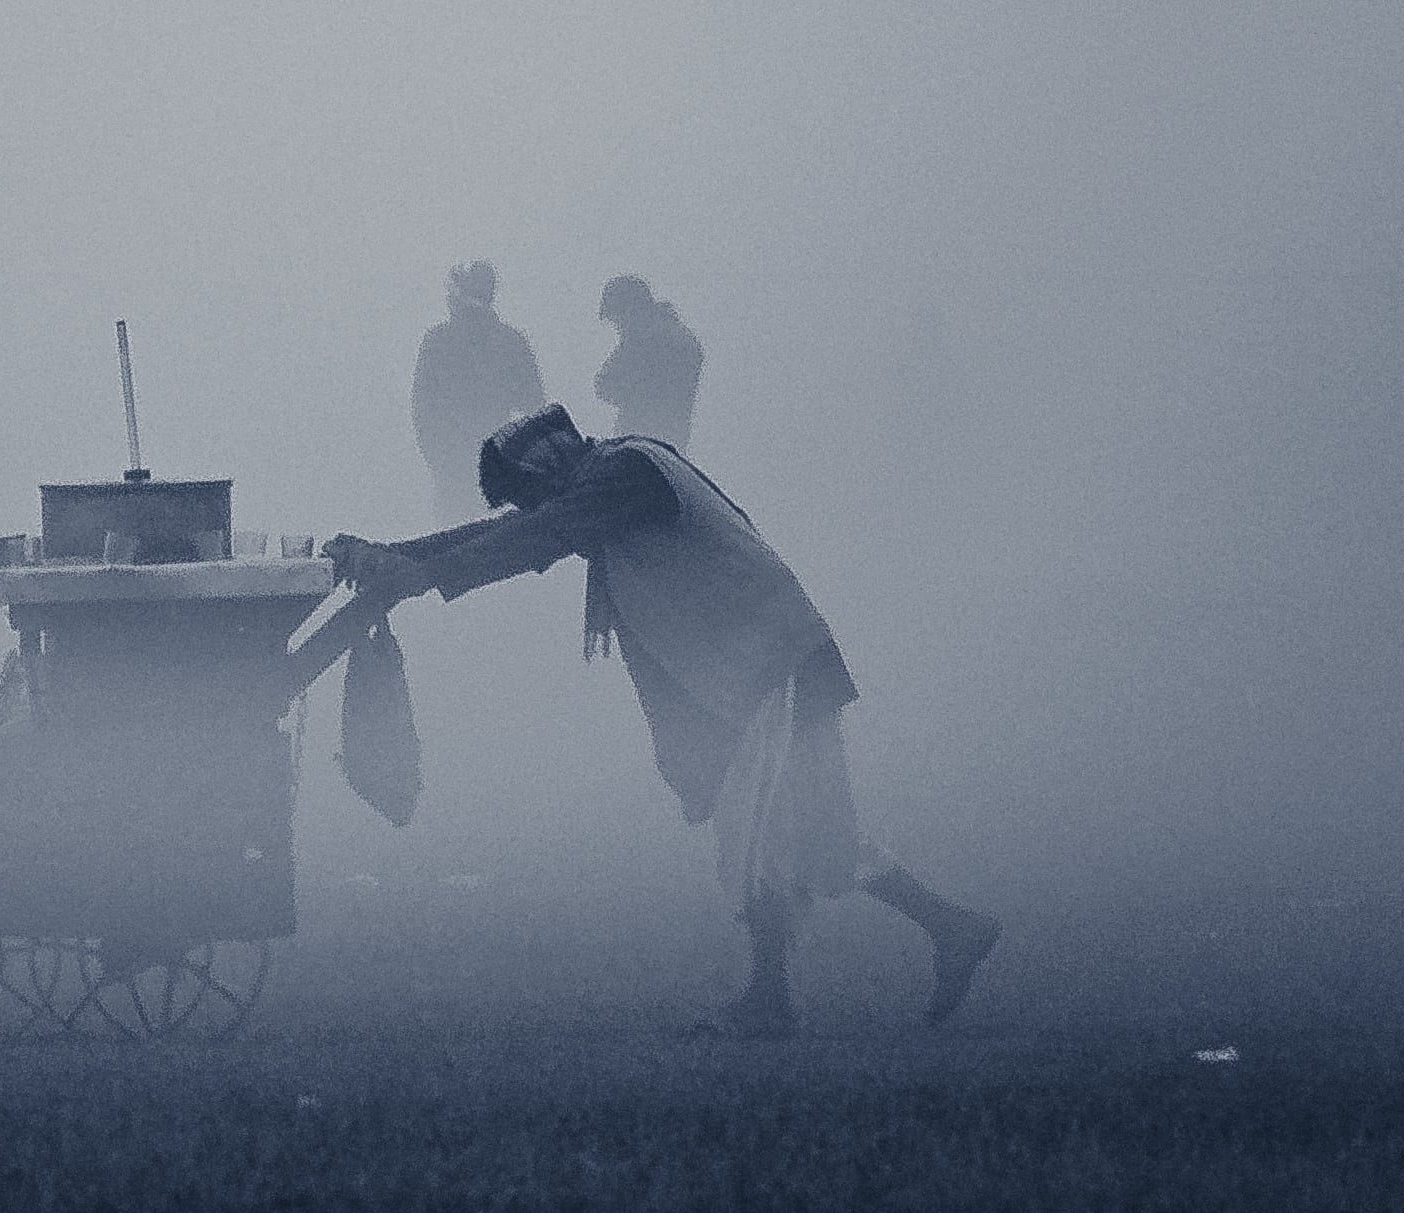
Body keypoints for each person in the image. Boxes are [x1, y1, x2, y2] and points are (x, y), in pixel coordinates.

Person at [326, 404, 1000, 1036]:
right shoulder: (609, 476)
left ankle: (772, 999)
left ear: (547, 466)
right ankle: (949, 930)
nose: (531, 508)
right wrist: (397, 555)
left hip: (775, 665)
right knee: (818, 836)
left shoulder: (626, 473)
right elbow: (521, 531)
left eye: (529, 493)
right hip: (766, 668)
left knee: (756, 832)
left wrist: (414, 570)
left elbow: (532, 535)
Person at [411, 261, 547, 519]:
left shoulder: (438, 341)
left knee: (454, 532)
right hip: (492, 460)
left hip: (457, 461)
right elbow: (534, 404)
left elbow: (423, 408)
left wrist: (437, 455)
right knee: (495, 534)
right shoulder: (510, 341)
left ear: (457, 296)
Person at [593, 276, 705, 451]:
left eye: (618, 319)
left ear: (631, 310)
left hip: (646, 444)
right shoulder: (659, 336)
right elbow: (605, 383)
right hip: (659, 443)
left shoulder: (649, 340)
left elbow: (607, 383)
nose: (619, 327)